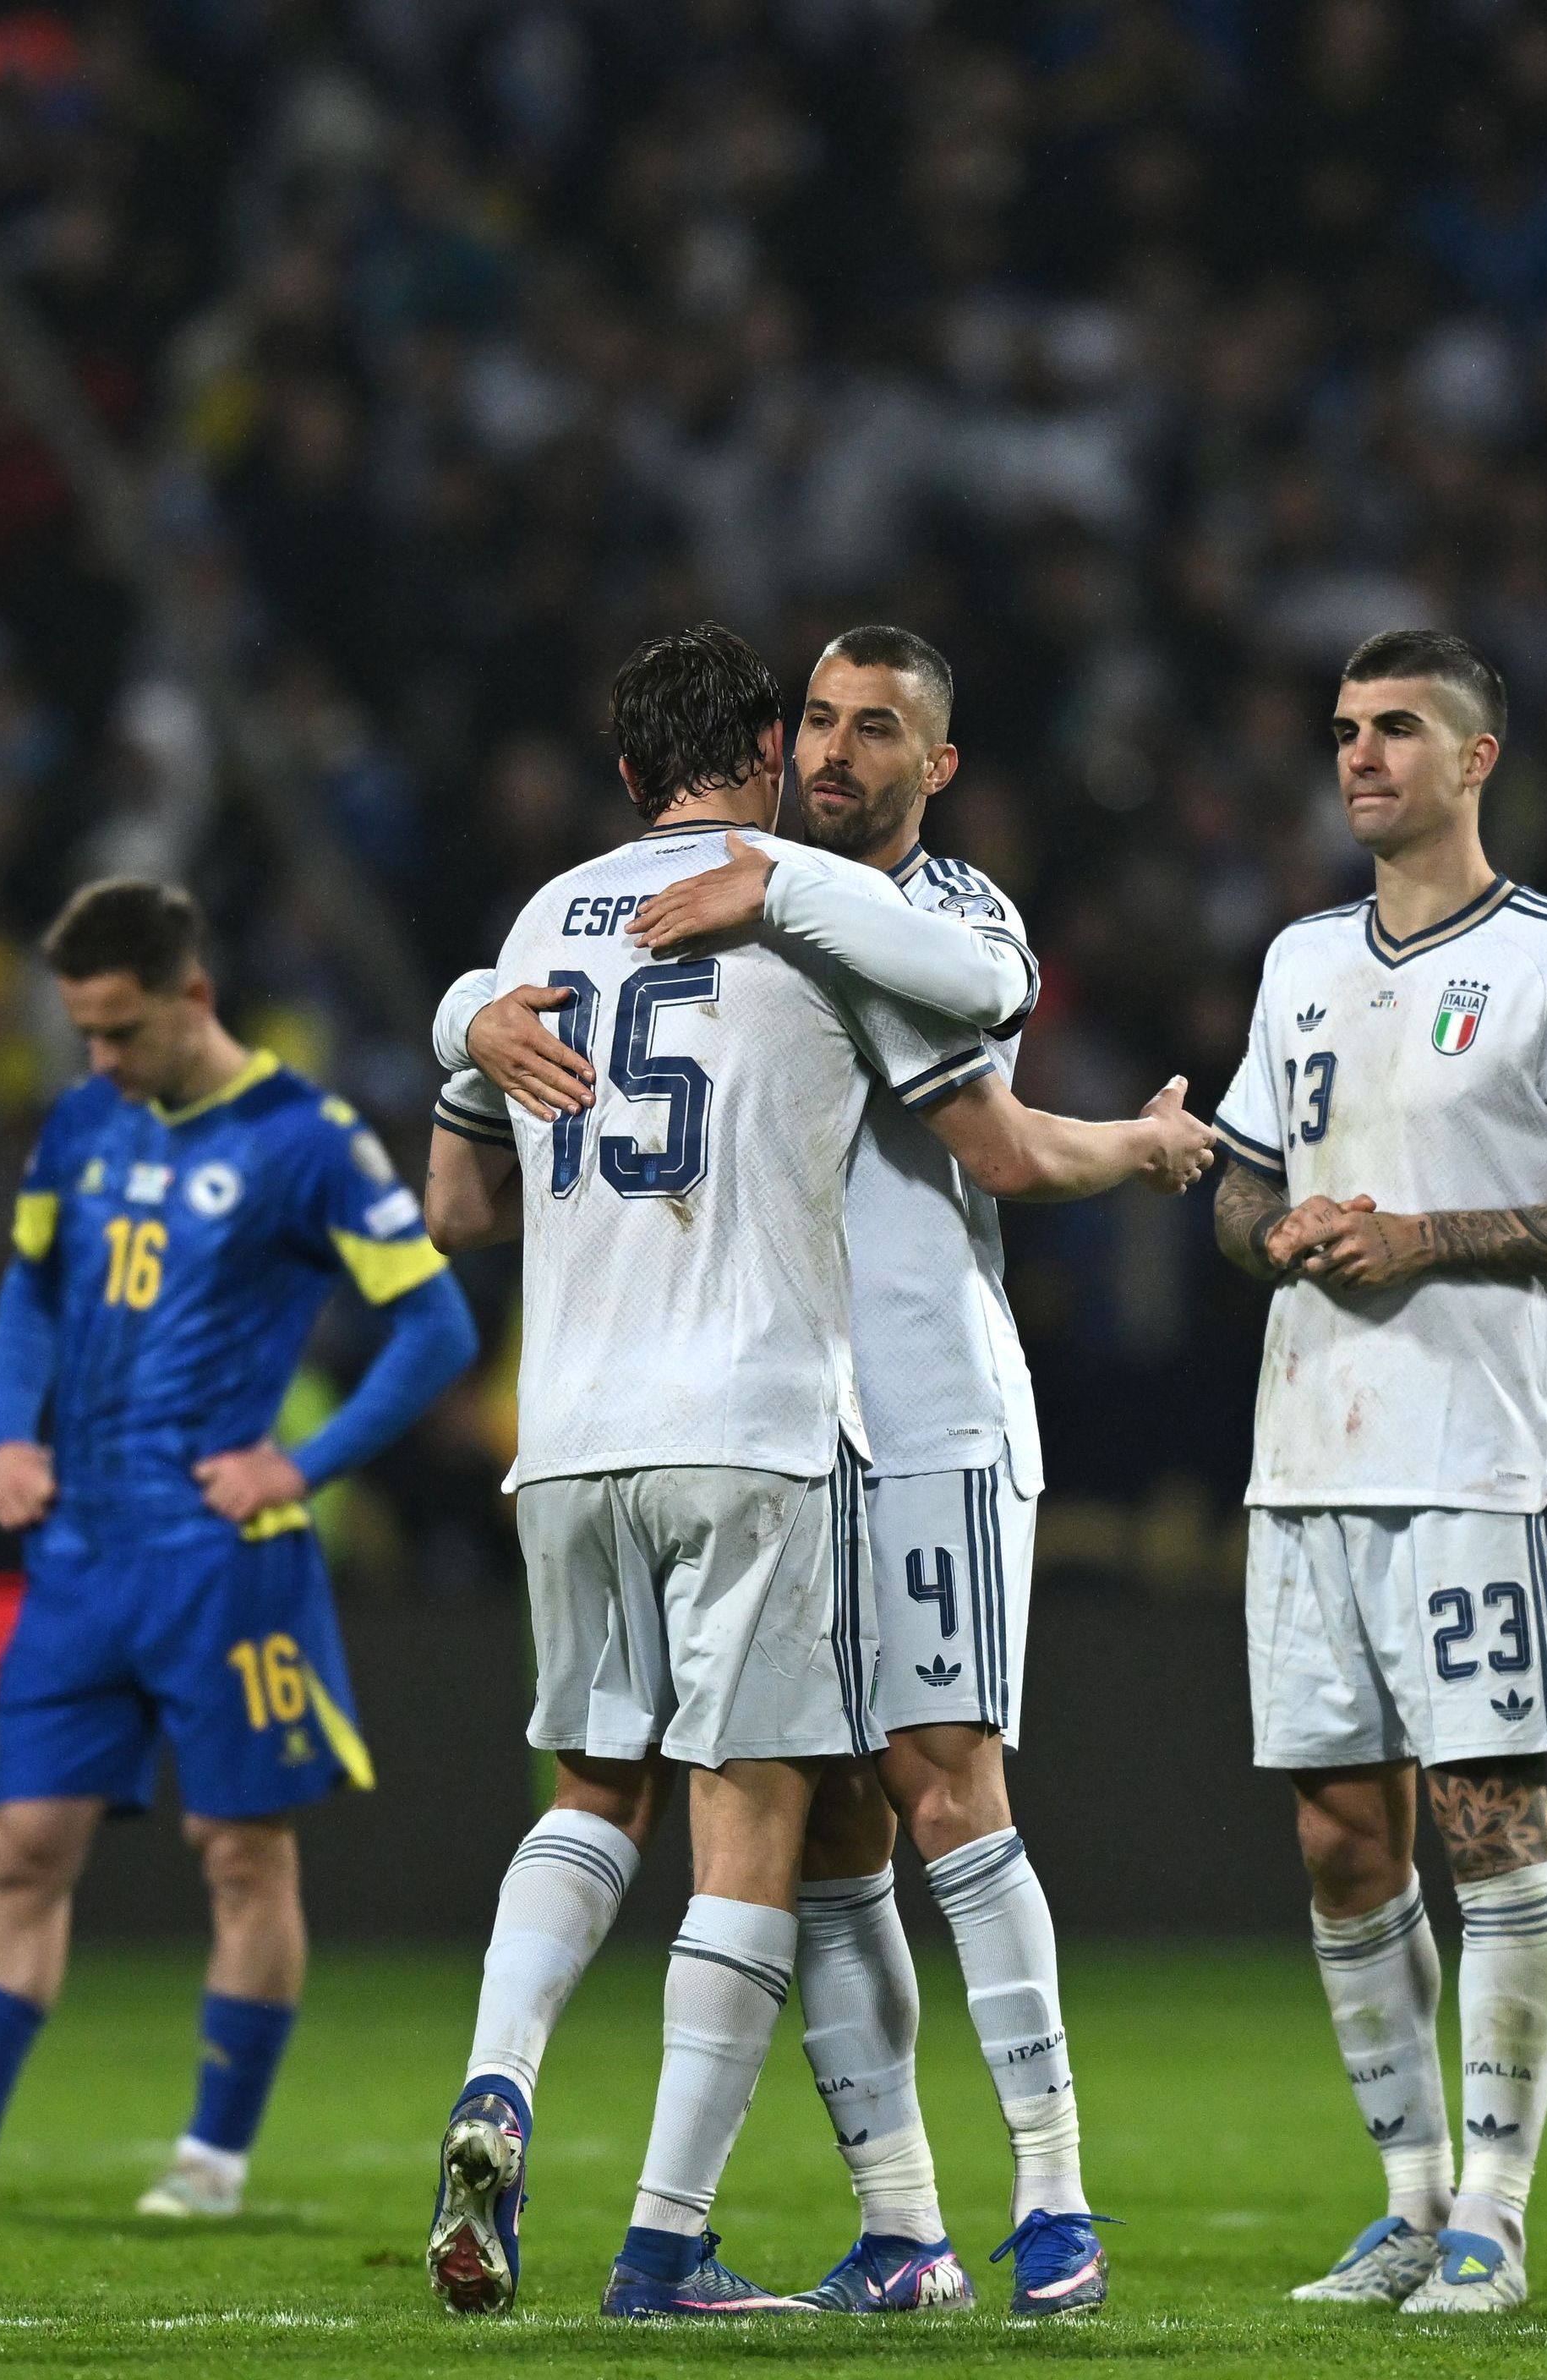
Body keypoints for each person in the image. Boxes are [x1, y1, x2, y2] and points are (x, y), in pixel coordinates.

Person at [412, 624, 1210, 2320]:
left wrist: (1140, 1146)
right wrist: (480, 1016)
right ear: (774, 744)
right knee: (824, 1826)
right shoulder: (764, 915)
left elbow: (998, 1116)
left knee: (938, 1780)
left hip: (917, 1420)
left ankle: (1054, 2199)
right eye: (822, 726)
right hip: (784, 1422)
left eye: (877, 732)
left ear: (941, 762)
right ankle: (902, 2225)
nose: (842, 755)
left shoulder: (932, 915)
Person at [0, 878, 477, 2220]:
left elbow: (437, 1331)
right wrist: (10, 1437)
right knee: (22, 1844)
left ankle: (212, 2163)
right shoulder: (80, 1125)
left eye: (121, 1032)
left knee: (240, 1855)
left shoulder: (307, 1139)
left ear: (193, 996)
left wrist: (301, 1463)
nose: (100, 1061)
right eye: (84, 1036)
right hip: (80, 1555)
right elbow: (32, 1298)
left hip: (222, 1563)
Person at [1203, 629, 1547, 2317]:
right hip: (1306, 1457)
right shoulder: (1295, 962)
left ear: (1479, 758)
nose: (1359, 755)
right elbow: (1238, 1191)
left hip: (1481, 1455)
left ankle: (1495, 2206)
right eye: (1343, 729)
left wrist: (1428, 1235)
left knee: (1490, 1823)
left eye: (1397, 728)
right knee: (1345, 1837)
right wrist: (1275, 1230)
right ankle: (1407, 2201)